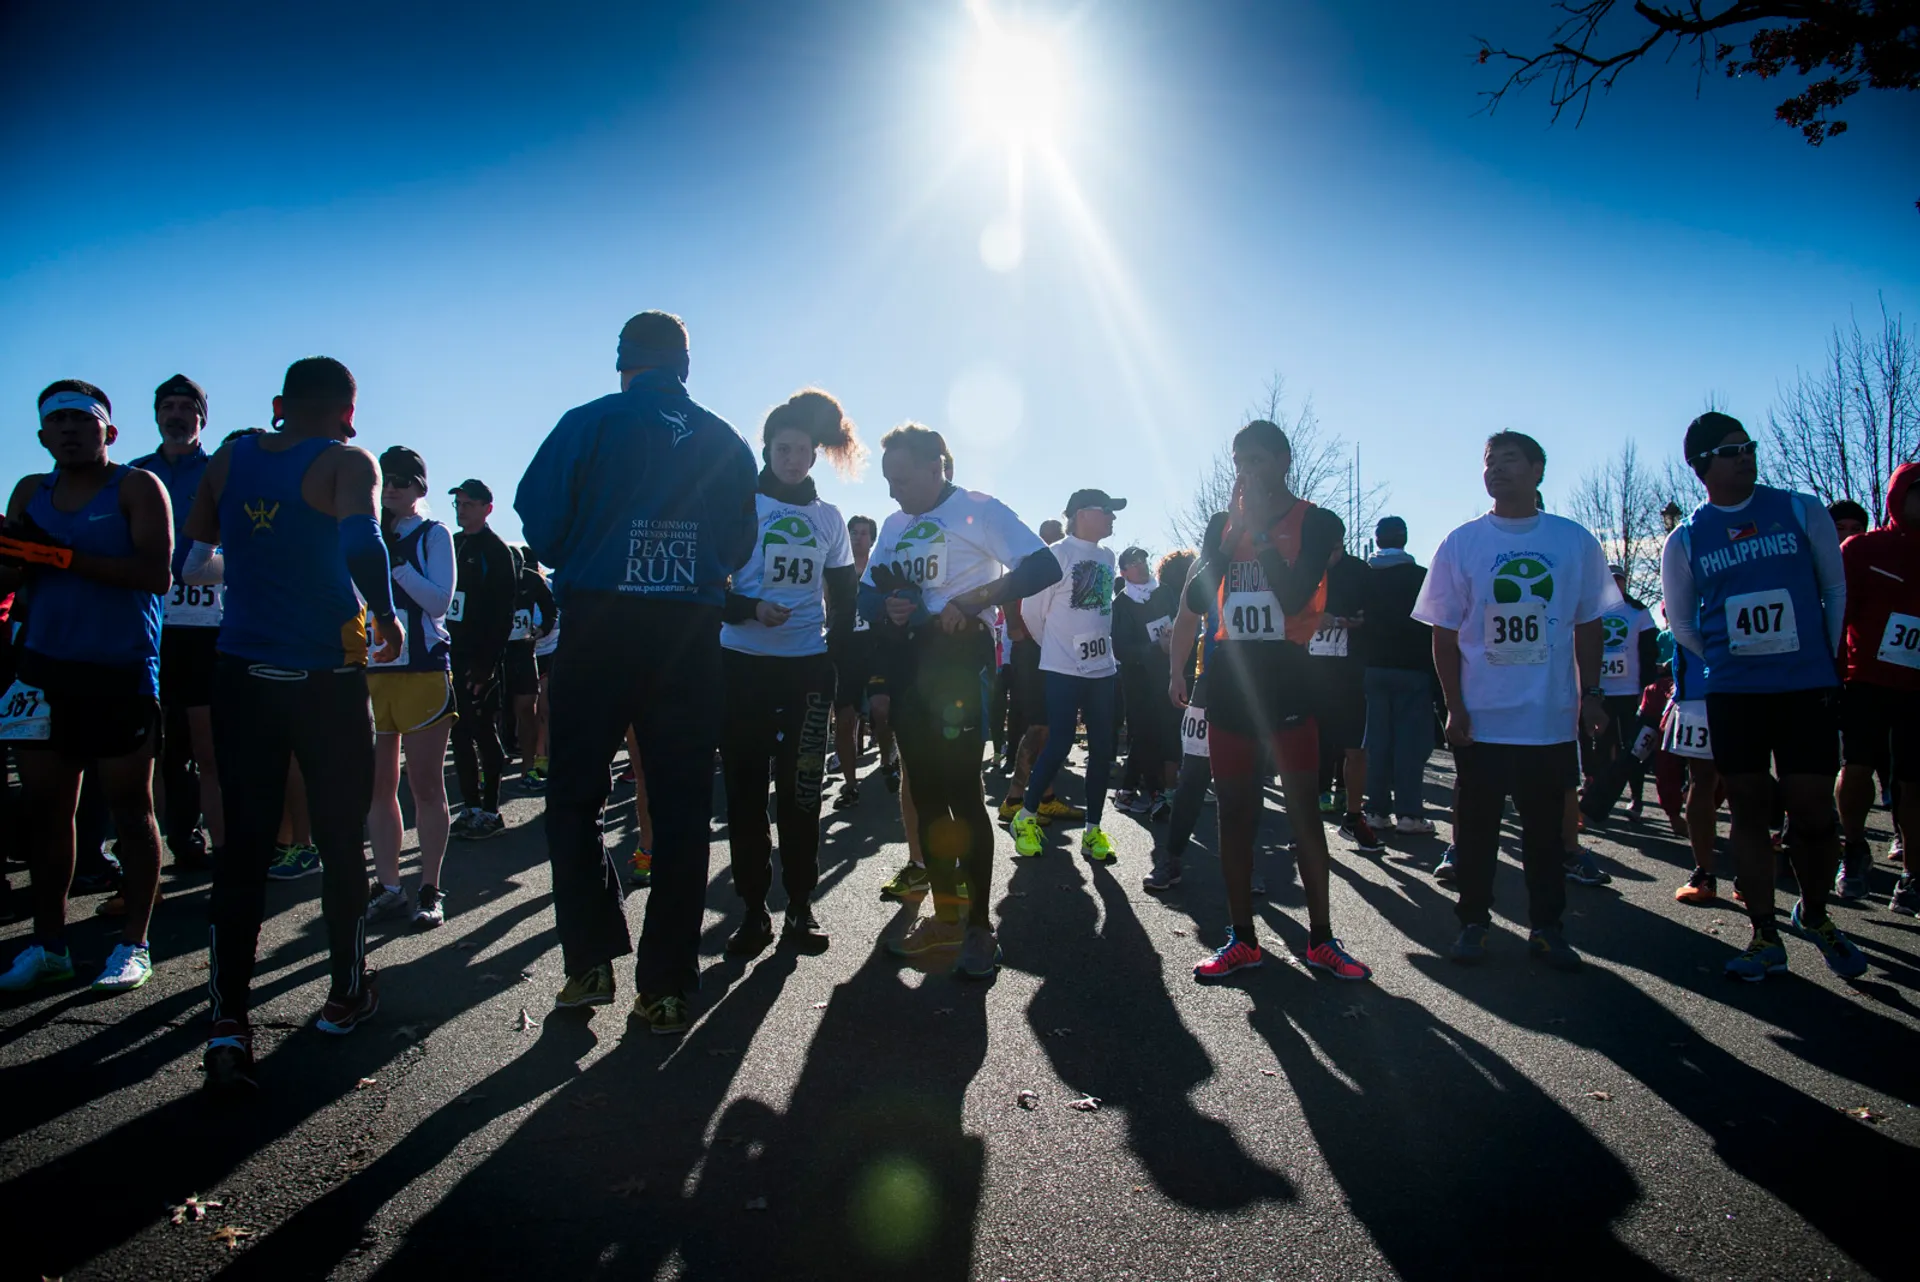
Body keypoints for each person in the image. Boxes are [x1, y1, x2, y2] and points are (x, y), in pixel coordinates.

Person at [516, 310, 757, 1034]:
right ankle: (667, 985)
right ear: (685, 366)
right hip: (686, 633)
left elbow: (541, 523)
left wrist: (604, 542)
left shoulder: (587, 423)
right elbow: (740, 543)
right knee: (682, 807)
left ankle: (589, 960)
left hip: (599, 625)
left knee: (573, 797)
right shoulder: (723, 438)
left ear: (624, 363)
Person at [183, 357, 404, 1089]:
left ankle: (226, 1021)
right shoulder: (347, 461)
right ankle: (345, 995)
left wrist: (255, 561)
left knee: (243, 846)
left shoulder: (231, 457)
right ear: (349, 409)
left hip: (242, 672)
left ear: (281, 403)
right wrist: (388, 615)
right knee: (341, 840)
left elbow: (195, 557)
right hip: (325, 677)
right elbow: (360, 541)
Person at [1660, 411, 1867, 981]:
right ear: (1702, 466)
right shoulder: (1686, 537)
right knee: (1749, 809)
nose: (1745, 456)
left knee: (1812, 811)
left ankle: (1817, 914)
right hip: (1736, 693)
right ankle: (1764, 934)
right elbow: (1681, 622)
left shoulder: (1800, 509)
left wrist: (1820, 659)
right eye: (1731, 451)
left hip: (1806, 686)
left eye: (1748, 446)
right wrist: (1725, 661)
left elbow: (1833, 586)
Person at [1415, 431, 1616, 972]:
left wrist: (1592, 696)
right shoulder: (1462, 543)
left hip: (1549, 719)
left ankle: (1547, 927)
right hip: (1483, 719)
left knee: (1547, 834)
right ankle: (1473, 923)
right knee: (1475, 831)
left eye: (1510, 460)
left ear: (1537, 471)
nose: (1497, 469)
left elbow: (1589, 624)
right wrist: (1454, 706)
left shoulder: (1574, 542)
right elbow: (1444, 633)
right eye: (1489, 461)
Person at [864, 425, 1060, 976]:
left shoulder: (979, 509)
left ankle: (978, 929)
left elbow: (1044, 565)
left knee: (964, 796)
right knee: (926, 796)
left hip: (959, 662)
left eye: (901, 479)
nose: (893, 491)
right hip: (910, 665)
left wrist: (978, 596)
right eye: (887, 480)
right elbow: (867, 590)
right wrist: (889, 606)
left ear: (937, 467)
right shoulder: (895, 524)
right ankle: (946, 921)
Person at [1183, 420, 1372, 982]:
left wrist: (1262, 535)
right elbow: (1195, 597)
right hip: (1231, 682)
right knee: (1236, 812)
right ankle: (1242, 939)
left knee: (1302, 812)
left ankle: (1321, 939)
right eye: (1240, 460)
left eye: (1259, 459)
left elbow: (1293, 599)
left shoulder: (1316, 521)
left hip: (1289, 679)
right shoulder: (1223, 523)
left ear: (1284, 461)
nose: (1248, 471)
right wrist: (1230, 535)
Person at [0, 381, 170, 996]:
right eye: (58, 422)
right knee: (47, 810)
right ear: (43, 435)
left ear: (110, 432)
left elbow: (156, 574)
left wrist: (60, 557)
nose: (70, 430)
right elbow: (17, 573)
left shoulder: (135, 487)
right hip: (44, 670)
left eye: (83, 420)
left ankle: (135, 943)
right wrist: (13, 558)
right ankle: (48, 945)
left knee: (130, 806)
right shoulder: (28, 491)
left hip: (120, 668)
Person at [718, 389, 861, 956]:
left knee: (801, 794)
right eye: (783, 448)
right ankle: (753, 911)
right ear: (767, 449)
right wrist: (749, 609)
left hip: (805, 670)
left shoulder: (829, 518)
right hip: (742, 665)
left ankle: (800, 907)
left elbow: (845, 596)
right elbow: (708, 584)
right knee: (746, 795)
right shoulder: (740, 508)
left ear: (813, 454)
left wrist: (835, 658)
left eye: (802, 449)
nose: (793, 458)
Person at [363, 447, 459, 928]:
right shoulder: (364, 534)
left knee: (425, 785)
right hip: (373, 672)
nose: (394, 486)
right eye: (387, 478)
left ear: (421, 487)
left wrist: (396, 564)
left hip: (422, 670)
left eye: (404, 479)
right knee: (379, 787)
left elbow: (439, 602)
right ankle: (389, 885)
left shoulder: (433, 534)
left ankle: (430, 887)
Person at [132, 374, 223, 873]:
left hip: (210, 629)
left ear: (201, 418)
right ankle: (174, 843)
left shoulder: (220, 472)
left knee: (209, 747)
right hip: (149, 627)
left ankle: (227, 852)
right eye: (167, 405)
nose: (176, 414)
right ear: (156, 415)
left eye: (186, 407)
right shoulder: (134, 475)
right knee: (156, 750)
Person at [1008, 489, 1125, 862]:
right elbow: (1031, 611)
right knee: (1058, 743)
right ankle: (1025, 817)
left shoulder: (1108, 556)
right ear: (1081, 514)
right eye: (1105, 511)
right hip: (1061, 668)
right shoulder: (1056, 554)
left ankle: (1093, 829)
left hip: (1102, 668)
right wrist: (1055, 648)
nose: (1112, 518)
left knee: (1102, 750)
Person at [1834, 463, 1919, 913]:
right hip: (1864, 680)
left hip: (1916, 689)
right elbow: (1840, 615)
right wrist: (1830, 673)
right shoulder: (1862, 550)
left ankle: (1912, 874)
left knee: (1912, 783)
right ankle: (1853, 849)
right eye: (1915, 493)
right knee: (1857, 769)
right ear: (1896, 497)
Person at [445, 479, 517, 840]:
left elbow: (504, 613)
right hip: (450, 656)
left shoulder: (496, 550)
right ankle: (470, 805)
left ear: (487, 508)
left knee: (484, 731)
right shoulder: (452, 544)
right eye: (458, 503)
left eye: (469, 504)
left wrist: (487, 665)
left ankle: (491, 808)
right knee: (458, 732)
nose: (461, 510)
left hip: (480, 660)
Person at [1357, 516, 1435, 835]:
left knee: (1376, 742)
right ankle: (1409, 813)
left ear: (1377, 541)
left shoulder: (1365, 578)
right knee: (1409, 745)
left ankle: (1375, 809)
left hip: (1372, 666)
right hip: (1414, 667)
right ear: (1404, 539)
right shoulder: (1421, 577)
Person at [1311, 544, 1383, 851]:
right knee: (1309, 750)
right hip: (1310, 674)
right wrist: (1314, 618)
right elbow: (1285, 612)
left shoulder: (1360, 572)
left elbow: (1379, 614)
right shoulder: (1302, 567)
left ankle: (1354, 818)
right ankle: (1304, 824)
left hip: (1351, 673)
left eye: (1332, 544)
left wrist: (1358, 621)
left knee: (1355, 750)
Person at [1579, 564, 1661, 828]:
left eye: (1620, 581)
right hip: (1599, 692)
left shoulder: (1637, 612)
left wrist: (1645, 689)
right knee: (1600, 746)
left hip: (1629, 692)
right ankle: (1598, 796)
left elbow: (1649, 652)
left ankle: (1636, 798)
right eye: (1610, 580)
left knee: (1634, 749)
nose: (1615, 585)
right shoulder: (1592, 609)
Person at [1112, 545, 1178, 819]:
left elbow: (1183, 622)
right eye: (1135, 563)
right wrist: (1156, 648)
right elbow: (1122, 650)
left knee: (1169, 731)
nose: (1142, 566)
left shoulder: (1165, 593)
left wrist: (1176, 641)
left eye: (1144, 560)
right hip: (1138, 679)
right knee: (1143, 733)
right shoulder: (1121, 604)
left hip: (1169, 674)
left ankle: (1135, 789)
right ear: (1124, 572)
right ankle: (1155, 793)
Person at [1662, 644, 1727, 904]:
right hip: (1706, 689)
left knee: (1709, 781)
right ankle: (1707, 872)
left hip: (1704, 688)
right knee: (1721, 780)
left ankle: (1707, 874)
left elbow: (1681, 624)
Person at [830, 514, 879, 808]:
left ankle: (889, 758)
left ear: (872, 539)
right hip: (845, 652)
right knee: (845, 720)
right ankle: (850, 784)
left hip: (875, 651)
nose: (858, 537)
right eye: (854, 532)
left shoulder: (879, 568)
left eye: (864, 533)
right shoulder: (836, 569)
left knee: (882, 712)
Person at [504, 544, 555, 789]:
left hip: (524, 651)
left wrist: (542, 629)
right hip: (494, 653)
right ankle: (485, 771)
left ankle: (528, 768)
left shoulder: (533, 580)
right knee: (492, 715)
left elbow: (551, 608)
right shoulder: (489, 575)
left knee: (527, 708)